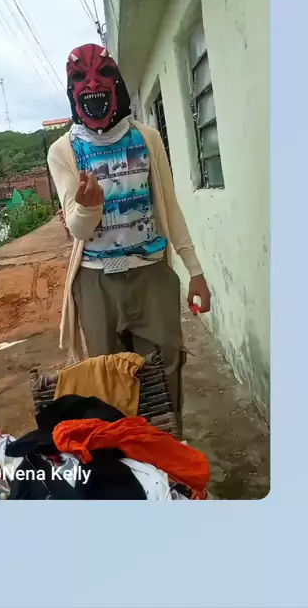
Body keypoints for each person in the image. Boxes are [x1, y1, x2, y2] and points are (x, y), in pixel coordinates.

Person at [48, 43, 210, 430]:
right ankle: (127, 453)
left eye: (101, 74)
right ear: (71, 91)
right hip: (95, 283)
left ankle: (168, 449)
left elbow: (169, 207)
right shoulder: (63, 151)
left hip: (150, 274)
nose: (91, 85)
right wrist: (88, 207)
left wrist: (195, 271)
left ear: (116, 82)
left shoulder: (147, 138)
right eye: (79, 78)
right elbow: (77, 229)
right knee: (109, 380)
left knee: (164, 371)